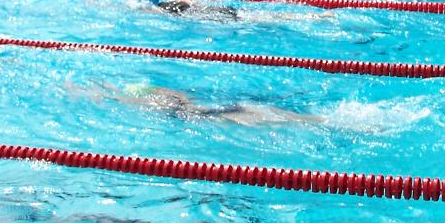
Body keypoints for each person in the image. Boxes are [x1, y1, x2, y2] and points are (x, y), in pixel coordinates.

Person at [64, 81, 324, 127]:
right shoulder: (174, 97)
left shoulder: (154, 103)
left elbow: (120, 98)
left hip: (219, 117)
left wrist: (91, 95)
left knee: (285, 121)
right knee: (291, 118)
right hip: (225, 109)